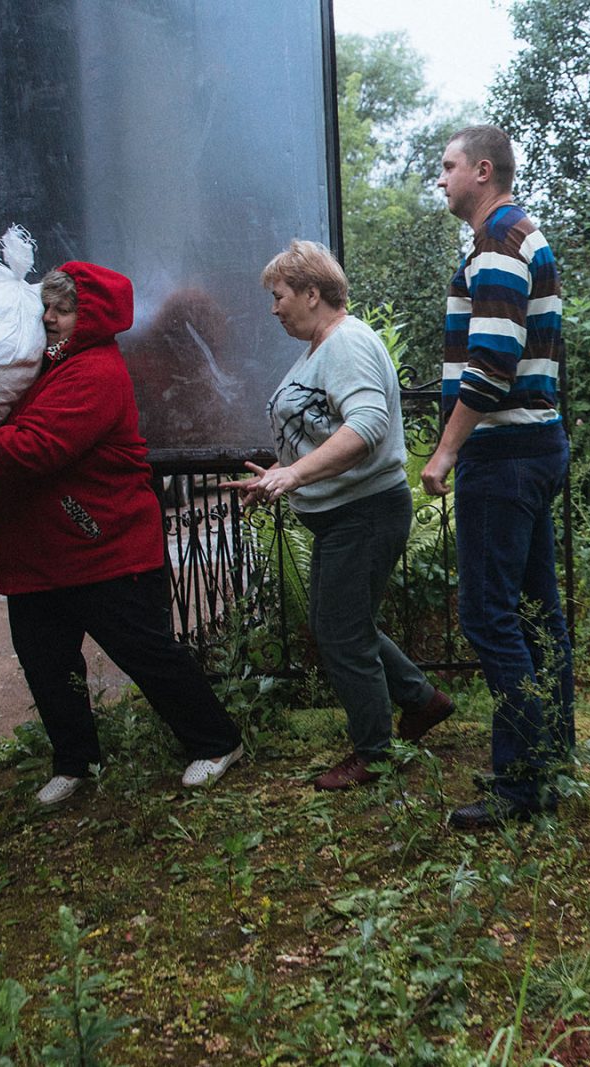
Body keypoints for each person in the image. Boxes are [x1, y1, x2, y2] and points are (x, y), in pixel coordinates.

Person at [0, 262, 243, 805]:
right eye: (48, 308)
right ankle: (75, 762)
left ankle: (217, 742)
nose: (50, 318)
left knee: (148, 655)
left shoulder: (95, 373)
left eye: (64, 309)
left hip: (104, 546)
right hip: (42, 551)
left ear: (92, 317)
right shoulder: (43, 368)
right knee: (47, 663)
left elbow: (36, 449)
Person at [225, 239, 452, 790]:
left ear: (311, 292)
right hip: (342, 515)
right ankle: (422, 701)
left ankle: (374, 755)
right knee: (341, 627)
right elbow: (321, 430)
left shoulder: (346, 343)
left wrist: (294, 475)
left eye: (279, 296)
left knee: (344, 635)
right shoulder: (320, 349)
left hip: (365, 513)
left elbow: (367, 425)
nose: (273, 308)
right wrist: (279, 474)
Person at [421, 125, 573, 830]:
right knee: (536, 609)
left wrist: (447, 449)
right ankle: (552, 756)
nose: (441, 178)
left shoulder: (500, 242)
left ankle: (521, 782)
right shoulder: (519, 237)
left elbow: (491, 361)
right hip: (532, 447)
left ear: (484, 171)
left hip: (504, 453)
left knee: (489, 614)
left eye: (448, 167)